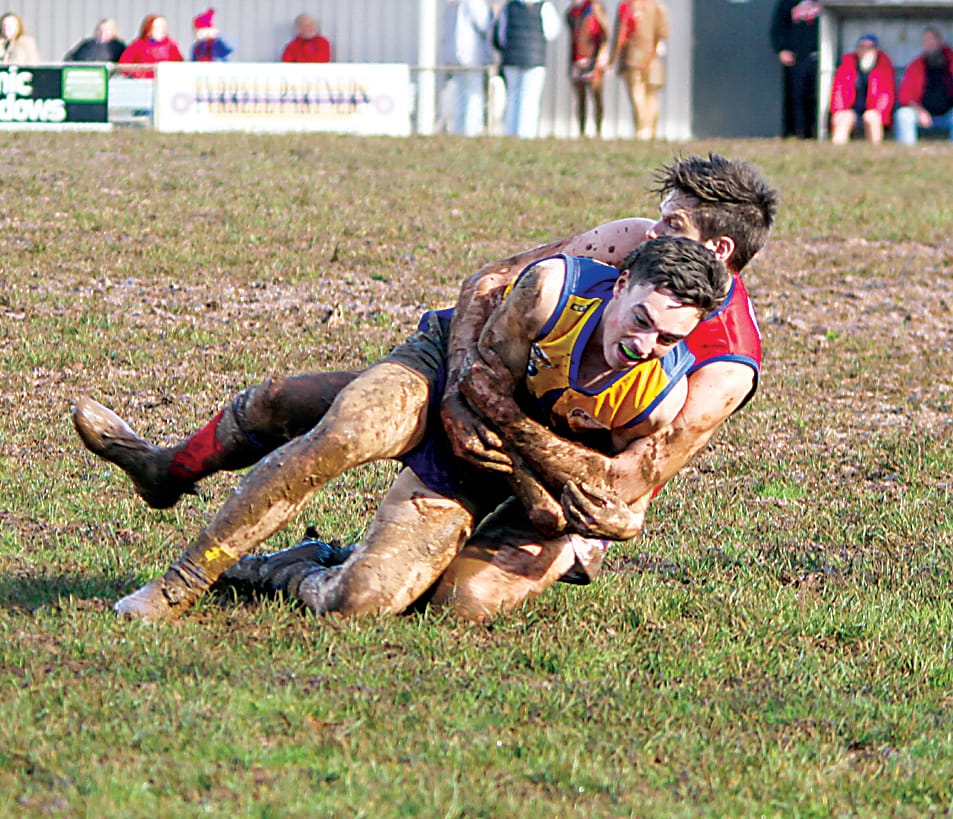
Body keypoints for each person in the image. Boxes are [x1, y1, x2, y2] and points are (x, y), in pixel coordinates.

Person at [72, 153, 778, 622]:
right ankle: (175, 515)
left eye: (672, 222)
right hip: (474, 373)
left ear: (717, 252)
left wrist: (556, 494)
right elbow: (490, 282)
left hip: (541, 473)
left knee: (447, 602)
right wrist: (460, 383)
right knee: (325, 418)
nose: (652, 229)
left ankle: (312, 566)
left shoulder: (720, 371)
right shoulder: (627, 250)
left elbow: (621, 486)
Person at [494, 0, 561, 138]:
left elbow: (501, 36)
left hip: (512, 59)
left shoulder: (510, 7)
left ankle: (511, 133)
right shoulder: (544, 6)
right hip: (534, 60)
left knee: (512, 97)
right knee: (530, 98)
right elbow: (552, 32)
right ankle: (526, 134)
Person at [610, 0, 669, 140]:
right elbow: (663, 31)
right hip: (653, 56)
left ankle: (643, 129)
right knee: (651, 94)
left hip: (633, 56)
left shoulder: (627, 6)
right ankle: (651, 130)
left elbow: (620, 34)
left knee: (637, 92)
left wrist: (612, 59)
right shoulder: (657, 6)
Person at [441, 0, 496, 137]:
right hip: (469, 56)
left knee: (462, 96)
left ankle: (462, 132)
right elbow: (485, 23)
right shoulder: (472, 3)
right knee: (471, 96)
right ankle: (469, 132)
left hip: (458, 56)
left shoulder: (454, 4)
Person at [829, 33, 895, 146]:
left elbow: (886, 95)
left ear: (876, 50)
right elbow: (838, 90)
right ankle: (837, 151)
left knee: (872, 117)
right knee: (844, 118)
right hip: (851, 109)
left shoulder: (884, 66)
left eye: (869, 47)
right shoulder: (847, 65)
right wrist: (838, 111)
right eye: (862, 47)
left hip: (873, 110)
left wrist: (880, 113)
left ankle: (875, 151)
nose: (865, 50)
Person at [894, 27, 953, 146]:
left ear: (939, 41)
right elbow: (905, 96)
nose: (929, 44)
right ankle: (907, 151)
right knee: (904, 114)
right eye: (926, 41)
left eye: (932, 39)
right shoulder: (916, 66)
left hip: (949, 113)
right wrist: (920, 111)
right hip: (923, 112)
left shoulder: (950, 62)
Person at [770, 0, 820, 139]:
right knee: (798, 95)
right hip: (797, 56)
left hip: (820, 55)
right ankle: (800, 132)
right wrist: (781, 49)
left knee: (817, 95)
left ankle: (817, 130)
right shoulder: (787, 2)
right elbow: (778, 26)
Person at [566, 0, 610, 138]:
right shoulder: (573, 11)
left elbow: (605, 33)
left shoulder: (594, 8)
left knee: (596, 95)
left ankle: (598, 131)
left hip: (593, 58)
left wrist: (603, 52)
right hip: (577, 58)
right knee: (580, 97)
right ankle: (582, 131)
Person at [118, 15, 184, 79]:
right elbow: (124, 65)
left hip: (165, 81)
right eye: (157, 27)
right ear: (149, 29)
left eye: (164, 27)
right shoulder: (138, 45)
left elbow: (179, 66)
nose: (162, 30)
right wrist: (137, 75)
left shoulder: (172, 46)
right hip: (144, 82)